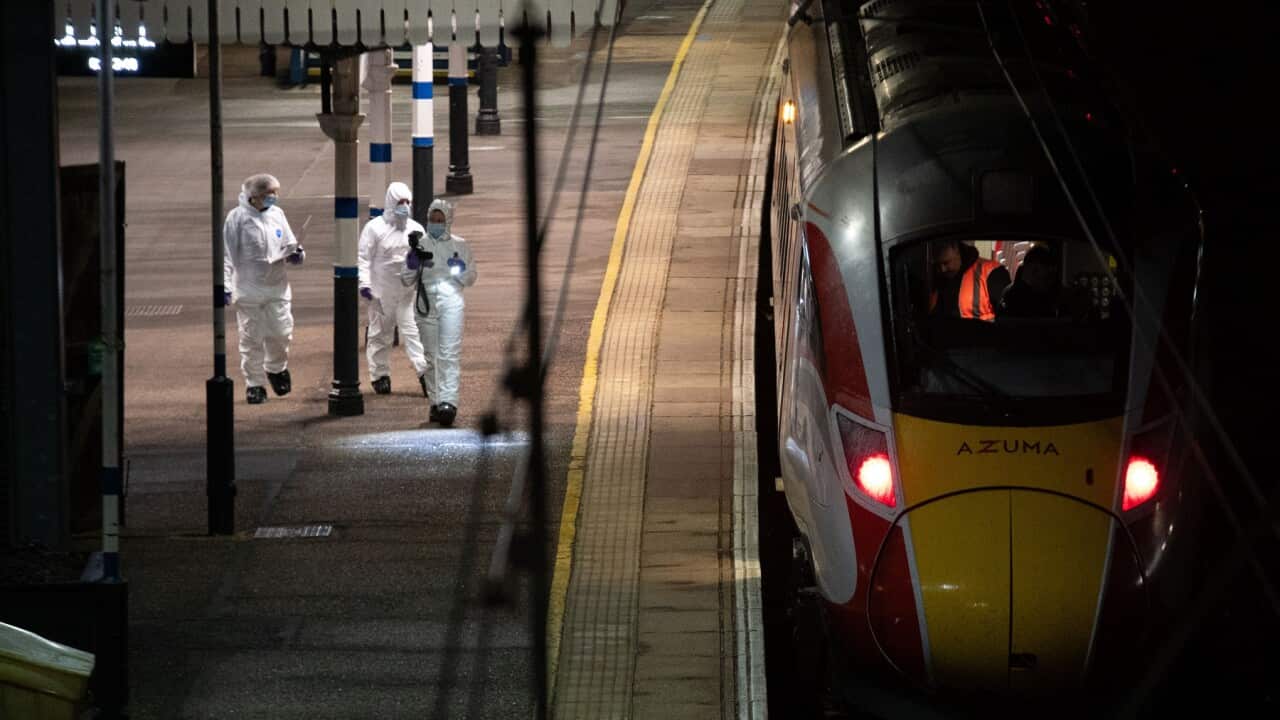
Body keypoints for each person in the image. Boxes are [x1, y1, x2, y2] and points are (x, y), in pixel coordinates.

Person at [223, 173, 304, 404]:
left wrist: (297, 254)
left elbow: (289, 243)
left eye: (276, 193)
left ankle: (276, 368)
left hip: (277, 287)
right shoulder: (236, 219)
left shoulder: (277, 215)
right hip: (249, 289)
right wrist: (225, 285)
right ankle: (255, 384)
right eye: (269, 195)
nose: (274, 198)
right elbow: (227, 255)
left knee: (281, 333)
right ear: (253, 197)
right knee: (251, 338)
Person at [401, 198, 477, 426]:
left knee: (449, 354)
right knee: (431, 356)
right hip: (426, 305)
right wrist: (413, 263)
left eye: (440, 220)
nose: (436, 223)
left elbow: (472, 276)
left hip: (451, 303)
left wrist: (460, 272)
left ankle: (449, 402)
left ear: (448, 221)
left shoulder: (460, 245)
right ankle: (435, 402)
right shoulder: (420, 245)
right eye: (432, 219)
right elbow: (406, 279)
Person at [358, 182, 429, 397]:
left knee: (414, 334)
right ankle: (380, 375)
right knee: (380, 334)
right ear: (391, 202)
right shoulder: (375, 229)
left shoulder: (416, 229)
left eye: (408, 202)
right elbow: (363, 258)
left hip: (407, 294)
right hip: (382, 293)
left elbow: (427, 259)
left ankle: (425, 373)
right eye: (400, 202)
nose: (405, 206)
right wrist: (365, 284)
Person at [999, 244, 1093, 320]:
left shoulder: (1011, 293)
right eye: (1048, 276)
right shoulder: (1021, 300)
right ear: (1034, 270)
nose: (1051, 281)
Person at [929, 238, 1011, 321]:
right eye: (937, 265)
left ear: (956, 248)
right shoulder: (935, 280)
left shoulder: (992, 272)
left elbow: (1008, 319)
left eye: (946, 263)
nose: (943, 269)